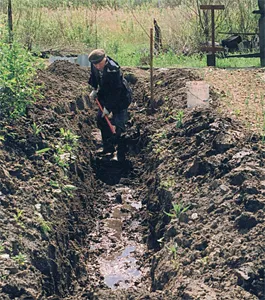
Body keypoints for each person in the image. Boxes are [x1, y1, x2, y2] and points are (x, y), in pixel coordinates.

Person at [88, 49, 132, 158]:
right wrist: (94, 89)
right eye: (95, 64)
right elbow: (94, 76)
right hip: (105, 95)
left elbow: (116, 92)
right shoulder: (94, 64)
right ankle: (108, 148)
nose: (97, 66)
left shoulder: (113, 70)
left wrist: (108, 108)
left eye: (99, 63)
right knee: (101, 119)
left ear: (105, 59)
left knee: (119, 124)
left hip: (120, 98)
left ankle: (122, 154)